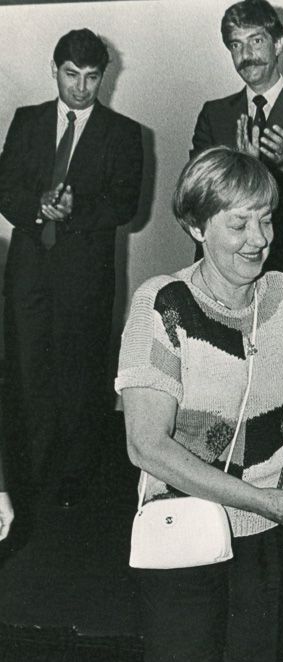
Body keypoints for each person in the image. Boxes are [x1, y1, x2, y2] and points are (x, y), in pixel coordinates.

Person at [116, 146, 283, 662]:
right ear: (195, 225)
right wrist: (258, 501)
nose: (258, 238)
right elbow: (147, 447)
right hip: (185, 523)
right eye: (238, 222)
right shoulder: (162, 304)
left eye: (267, 218)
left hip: (270, 536)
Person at [0, 29, 143, 508]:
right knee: (26, 369)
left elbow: (126, 206)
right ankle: (30, 474)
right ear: (55, 70)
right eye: (71, 75)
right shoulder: (27, 121)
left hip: (84, 276)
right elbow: (6, 190)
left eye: (92, 77)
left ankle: (74, 482)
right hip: (28, 272)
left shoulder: (124, 132)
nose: (81, 88)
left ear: (104, 76)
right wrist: (39, 206)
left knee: (79, 376)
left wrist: (74, 210)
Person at [191, 0, 283, 290]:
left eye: (256, 41)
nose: (246, 55)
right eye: (236, 45)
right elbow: (195, 199)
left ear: (279, 43)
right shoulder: (214, 114)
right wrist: (240, 173)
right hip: (220, 272)